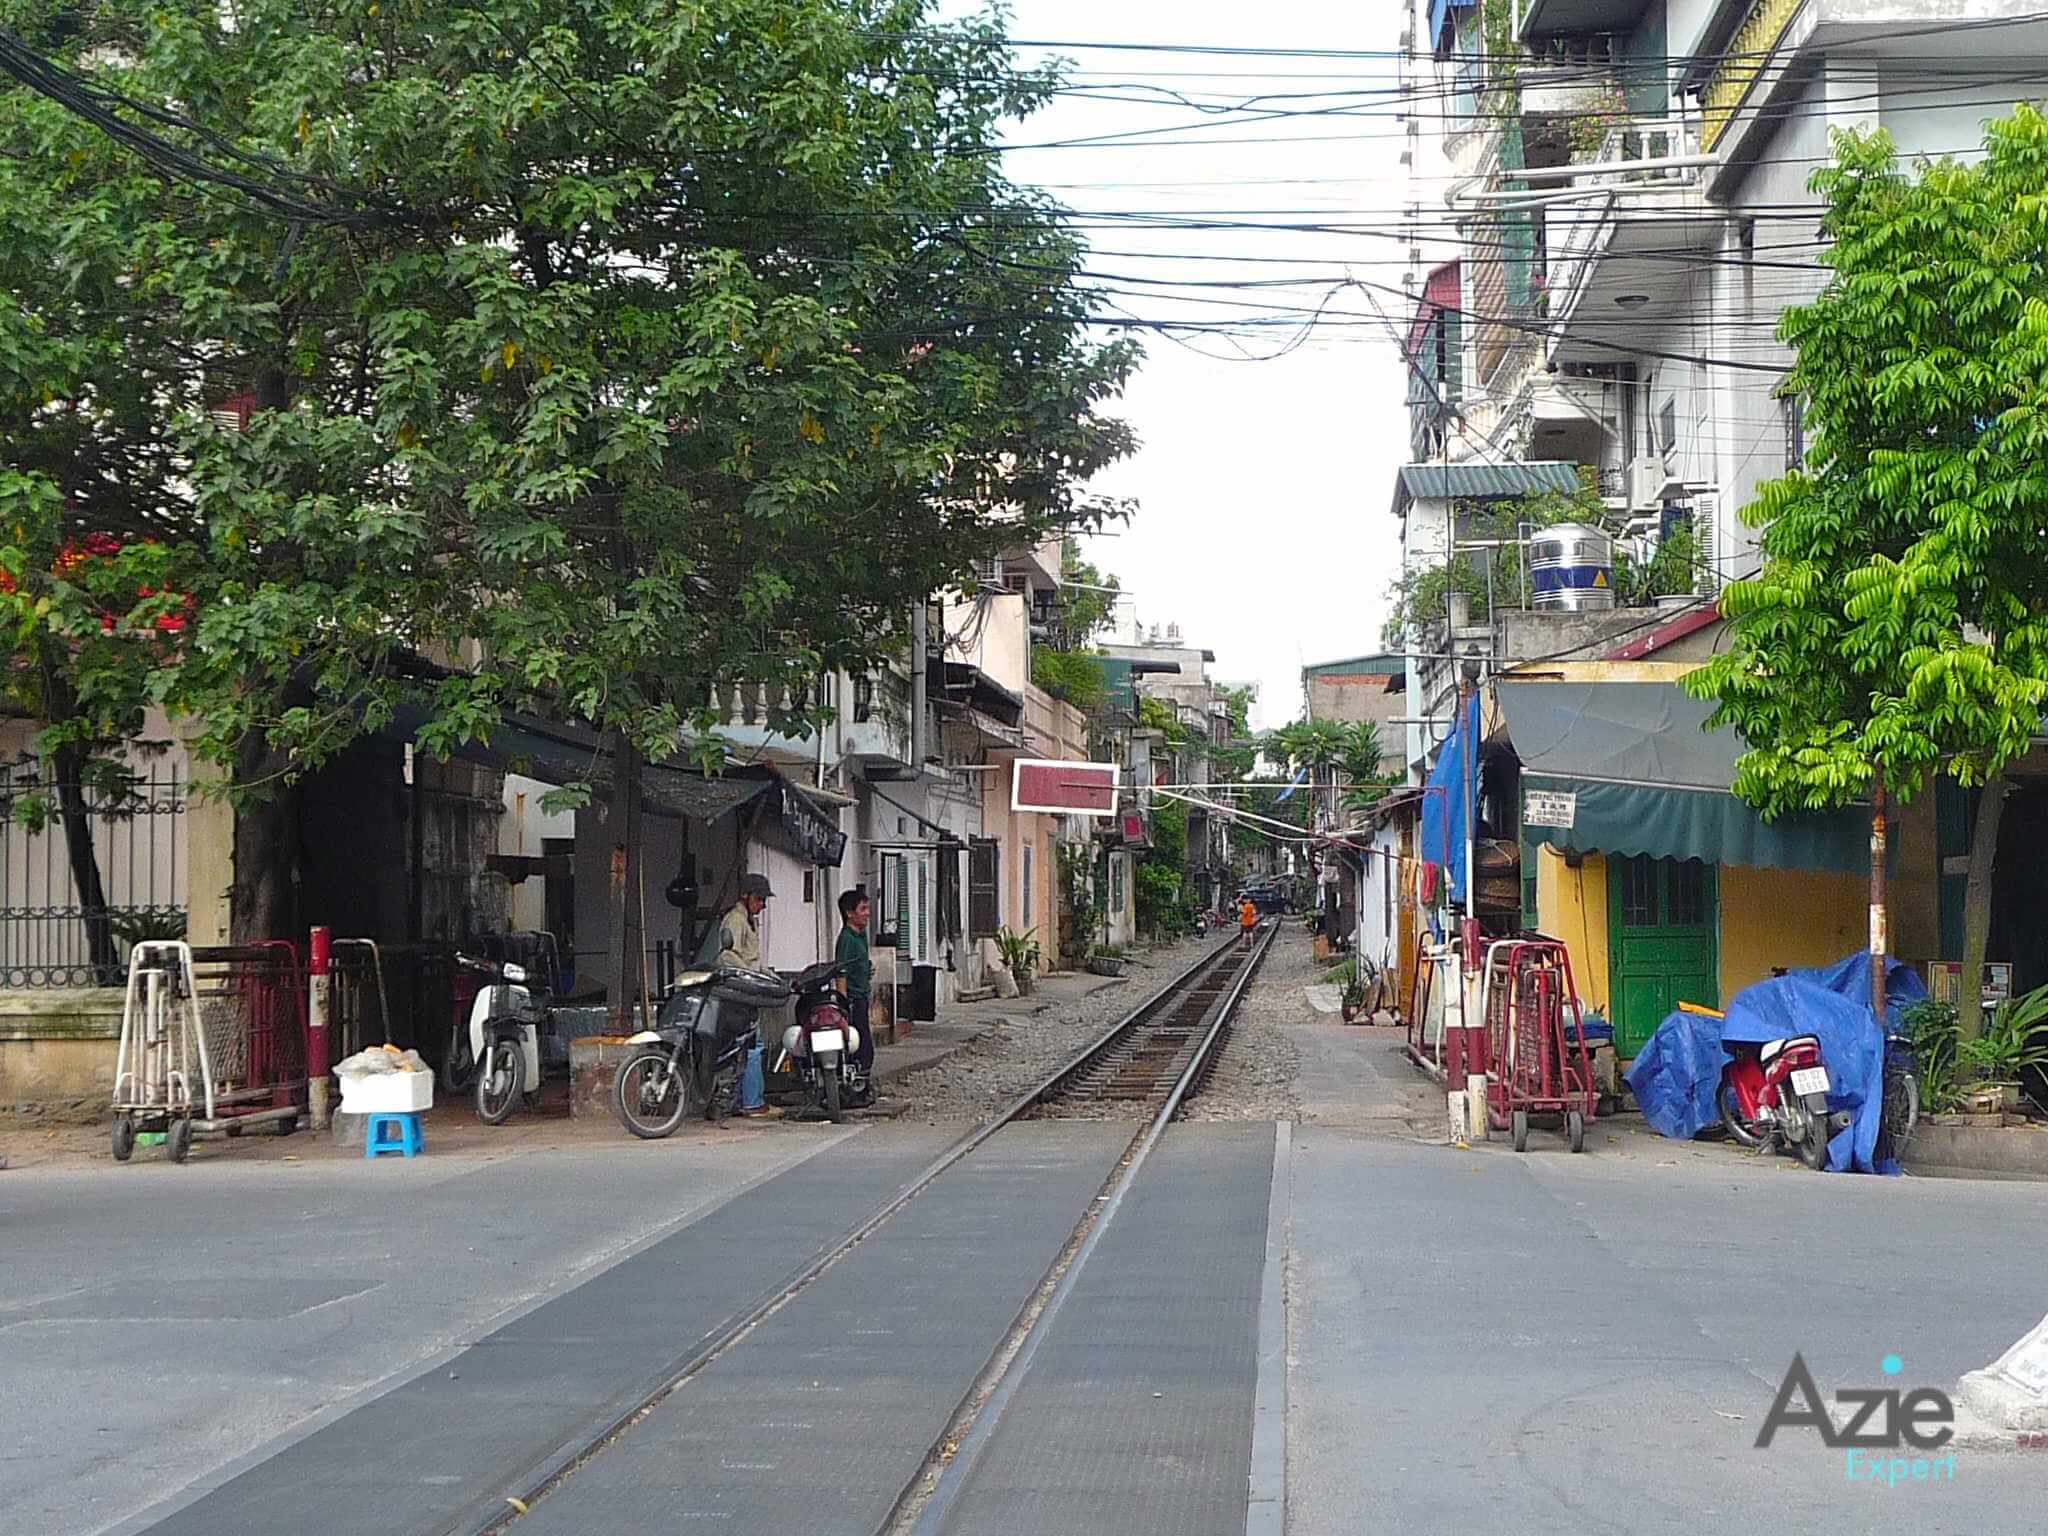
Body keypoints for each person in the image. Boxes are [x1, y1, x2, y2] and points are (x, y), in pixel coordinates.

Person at [718, 874, 775, 1117]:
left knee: (745, 1045)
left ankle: (743, 1099)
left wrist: (769, 976)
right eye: (760, 899)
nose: (762, 905)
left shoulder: (749, 921)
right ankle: (752, 1101)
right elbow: (729, 956)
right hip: (740, 991)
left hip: (749, 990)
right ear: (746, 896)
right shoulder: (735, 920)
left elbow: (753, 958)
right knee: (754, 1045)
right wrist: (751, 975)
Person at [835, 887, 876, 1103]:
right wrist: (844, 1004)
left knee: (865, 1045)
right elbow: (840, 972)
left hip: (862, 996)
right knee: (859, 1047)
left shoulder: (860, 936)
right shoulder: (847, 939)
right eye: (863, 909)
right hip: (852, 999)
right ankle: (855, 1091)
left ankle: (862, 1088)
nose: (867, 913)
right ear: (850, 913)